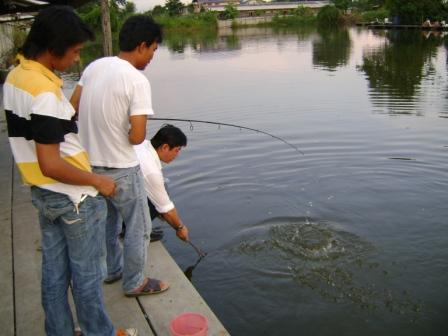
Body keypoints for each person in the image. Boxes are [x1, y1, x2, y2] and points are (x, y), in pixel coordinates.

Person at [3, 6, 136, 336]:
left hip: (44, 195)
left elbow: (41, 139)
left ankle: (60, 331)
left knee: (55, 272)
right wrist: (97, 180)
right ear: (54, 47)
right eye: (75, 51)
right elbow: (51, 163)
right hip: (75, 198)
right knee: (88, 276)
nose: (77, 59)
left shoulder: (16, 77)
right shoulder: (44, 91)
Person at [70, 15, 168, 297]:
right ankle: (135, 281)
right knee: (139, 227)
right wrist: (123, 128)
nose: (151, 57)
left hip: (90, 168)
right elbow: (137, 137)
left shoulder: (93, 66)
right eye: (153, 50)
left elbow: (72, 109)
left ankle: (112, 270)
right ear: (142, 45)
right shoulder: (137, 80)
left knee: (108, 224)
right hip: (122, 168)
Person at [134, 124, 190, 241]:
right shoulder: (151, 171)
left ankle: (140, 227)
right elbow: (166, 209)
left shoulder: (142, 144)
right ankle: (136, 231)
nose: (177, 155)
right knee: (161, 192)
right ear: (164, 147)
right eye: (176, 150)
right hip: (118, 207)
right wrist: (180, 228)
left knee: (162, 187)